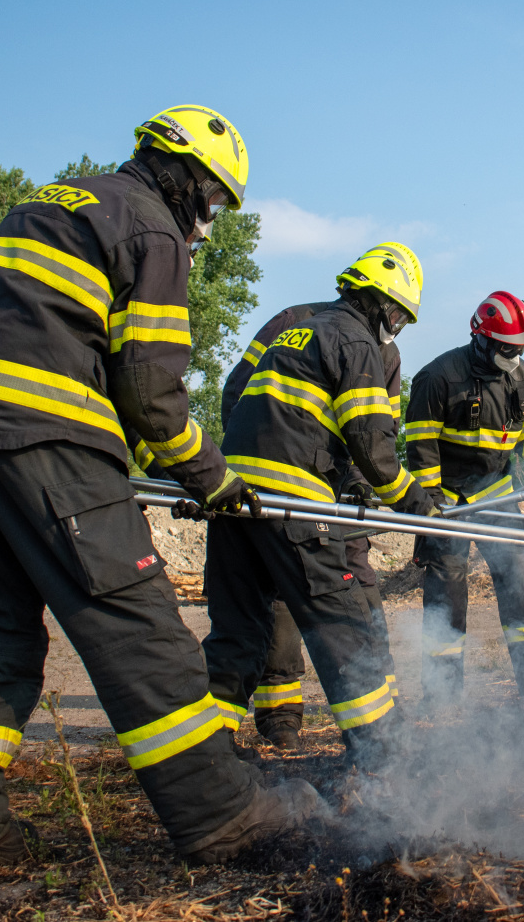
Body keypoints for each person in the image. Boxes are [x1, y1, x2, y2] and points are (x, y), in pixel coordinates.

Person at [0, 105, 322, 884]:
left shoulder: (54, 200)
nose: (207, 223)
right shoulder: (151, 227)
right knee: (141, 632)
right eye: (214, 203)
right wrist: (212, 478)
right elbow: (150, 389)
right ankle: (222, 815)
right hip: (51, 437)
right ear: (189, 179)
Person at [194, 243, 434, 771]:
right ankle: (387, 758)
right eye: (395, 314)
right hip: (296, 503)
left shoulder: (297, 329)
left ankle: (206, 762)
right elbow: (375, 451)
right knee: (340, 627)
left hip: (236, 498)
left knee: (239, 631)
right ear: (374, 302)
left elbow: (238, 397)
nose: (396, 326)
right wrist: (419, 506)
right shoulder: (357, 341)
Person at [404, 291, 524, 706]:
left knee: (521, 586)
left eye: (520, 348)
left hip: (497, 496)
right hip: (447, 502)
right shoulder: (438, 377)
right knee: (447, 597)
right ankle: (442, 701)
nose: (514, 357)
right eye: (507, 348)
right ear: (480, 337)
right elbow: (421, 446)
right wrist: (433, 508)